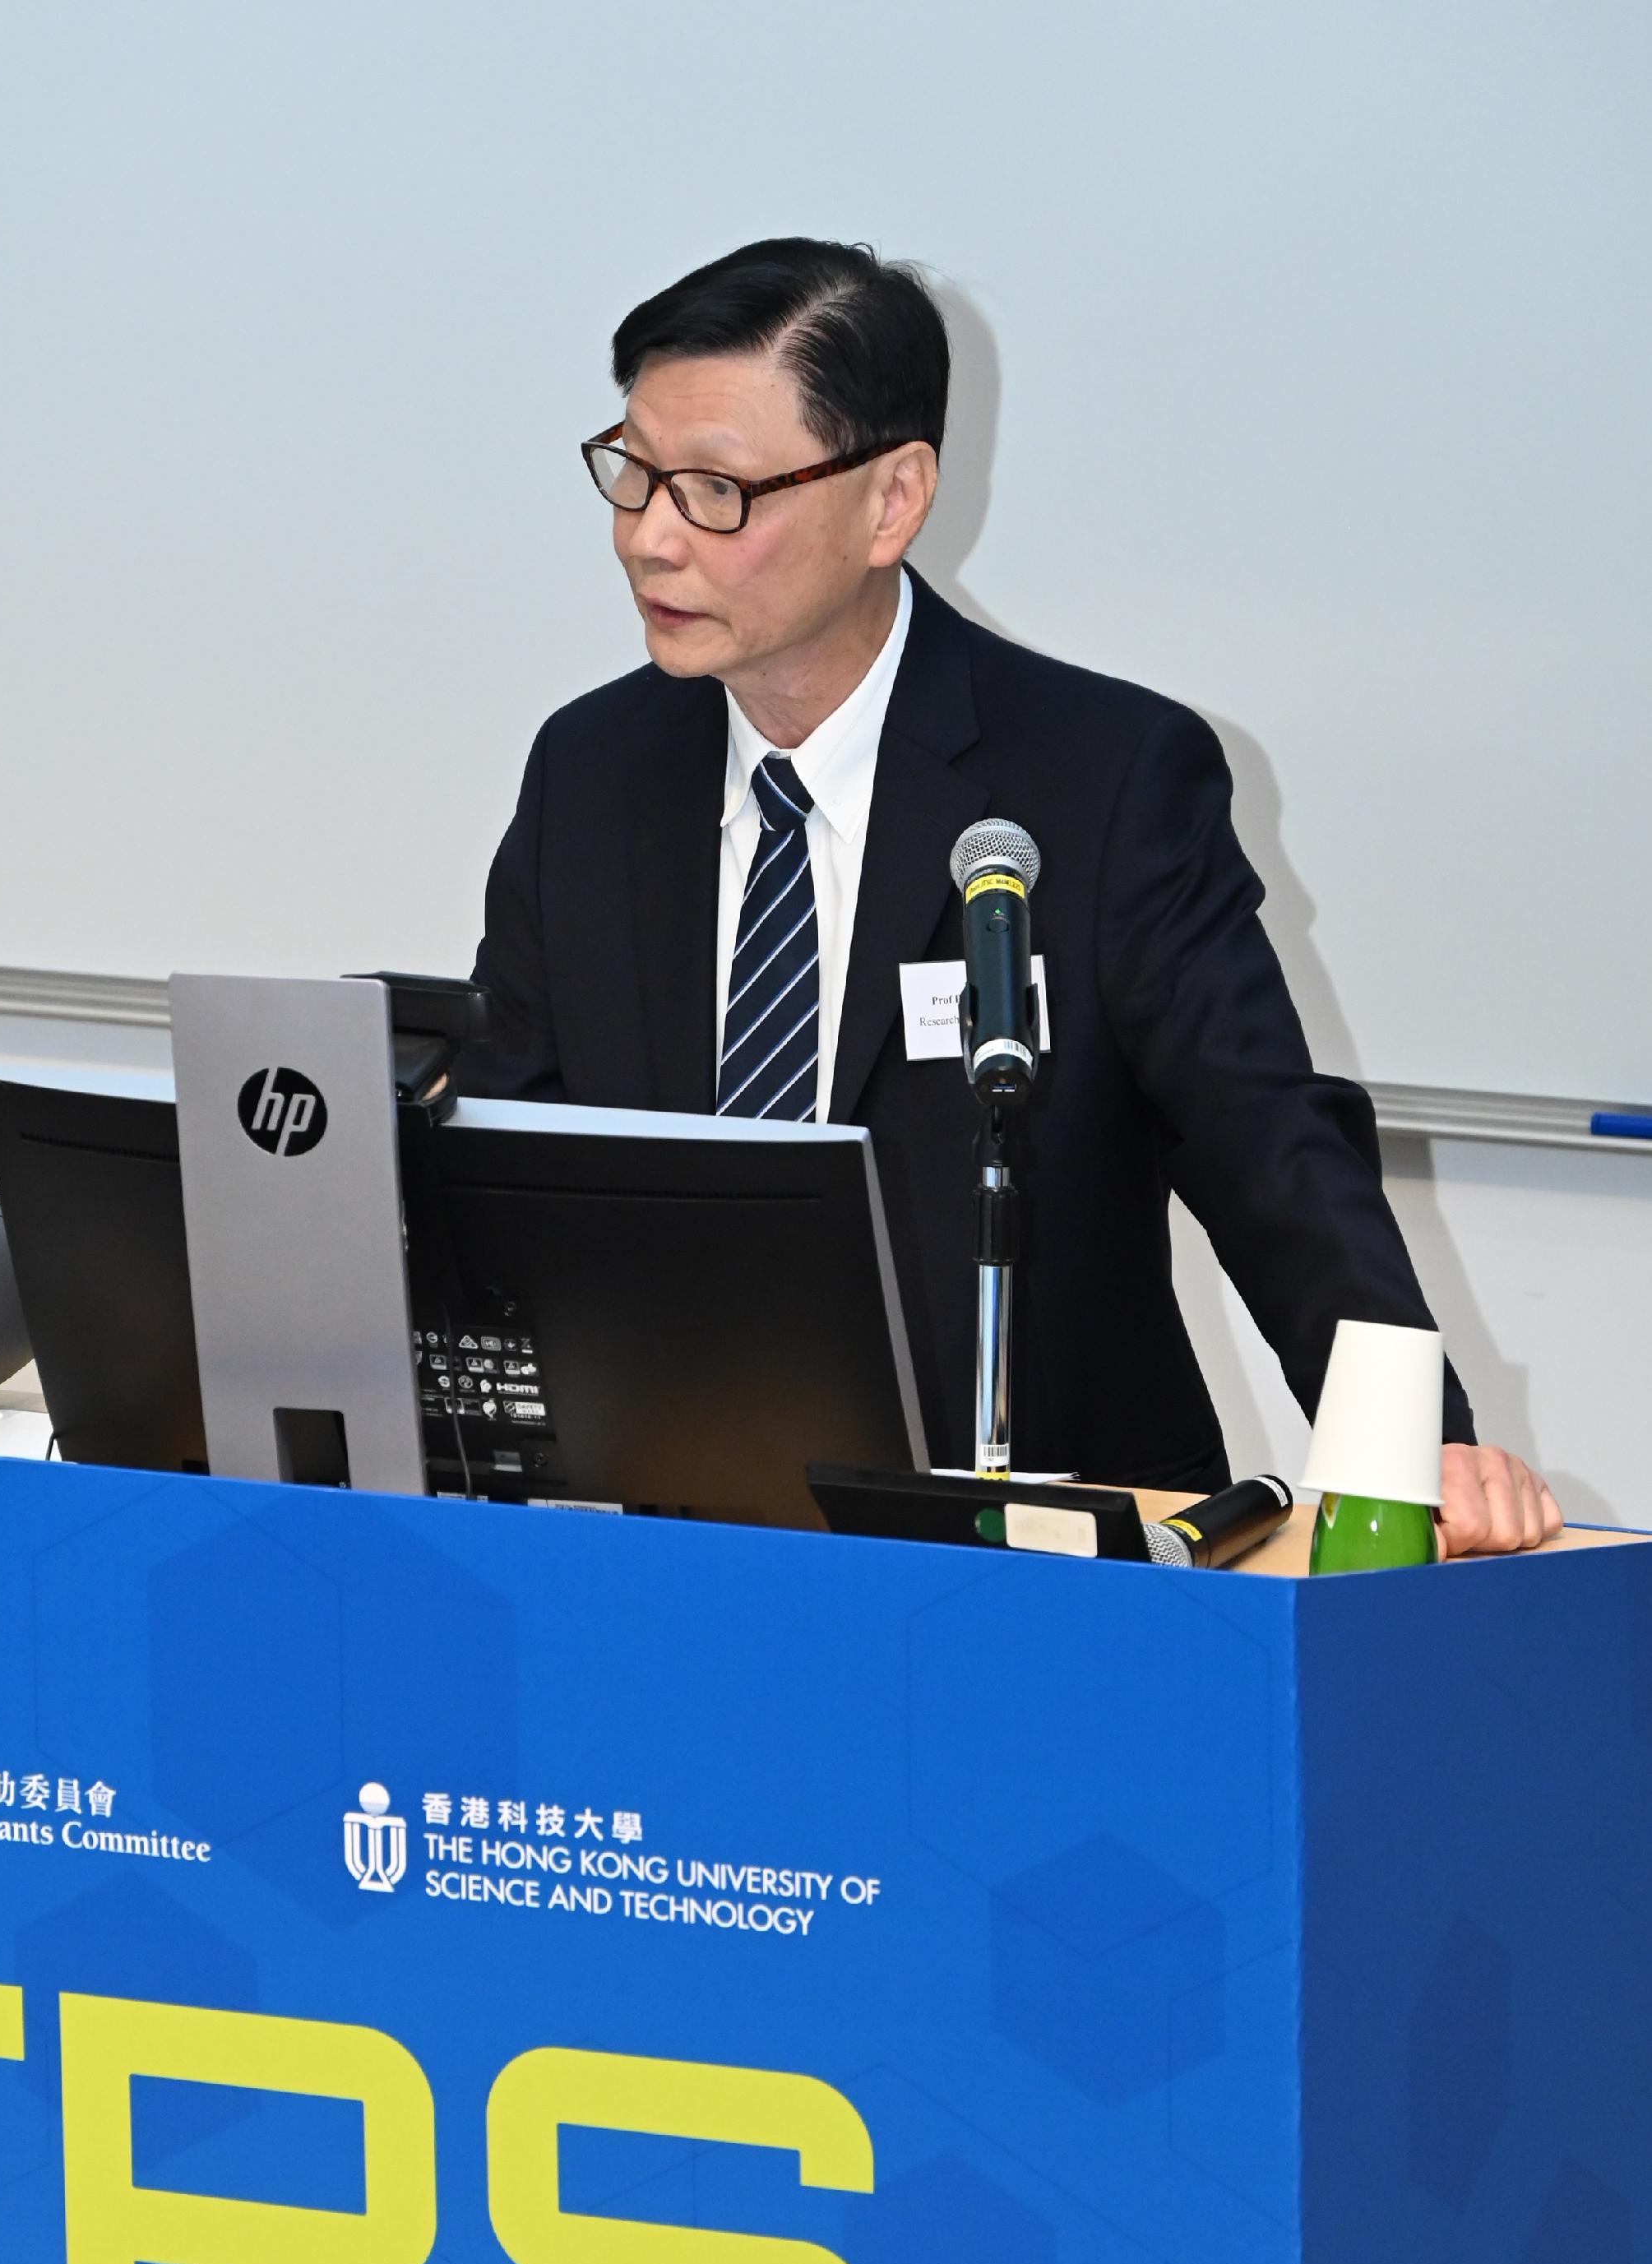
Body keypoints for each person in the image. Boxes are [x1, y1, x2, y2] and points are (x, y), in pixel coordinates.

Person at [461, 236, 1559, 1556]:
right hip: (677, 1530)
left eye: (711, 490)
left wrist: (1411, 1440)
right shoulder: (592, 770)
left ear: (891, 501)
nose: (647, 536)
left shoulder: (1101, 778)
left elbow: (1266, 1145)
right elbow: (503, 1137)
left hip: (1054, 1549)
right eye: (630, 472)